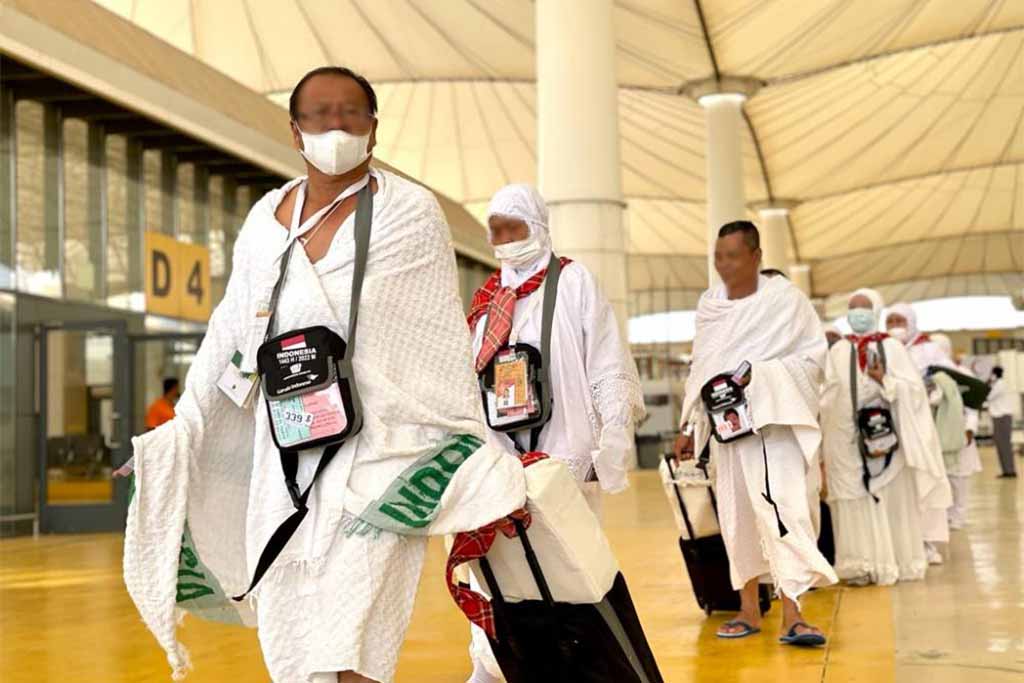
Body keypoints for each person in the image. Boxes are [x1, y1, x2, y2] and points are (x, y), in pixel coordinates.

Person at [122, 66, 527, 683]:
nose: (335, 126)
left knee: (355, 633)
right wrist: (181, 430)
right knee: (295, 637)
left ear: (374, 129)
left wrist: (462, 437)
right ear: (295, 130)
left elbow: (433, 339)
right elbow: (231, 331)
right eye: (319, 114)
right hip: (286, 454)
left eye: (351, 113)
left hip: (381, 453)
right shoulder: (265, 220)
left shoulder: (408, 212)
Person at [464, 184, 645, 683]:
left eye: (514, 228)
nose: (505, 239)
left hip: (564, 450)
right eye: (497, 230)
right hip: (503, 454)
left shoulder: (573, 281)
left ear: (538, 226)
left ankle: (573, 668)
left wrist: (612, 434)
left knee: (569, 570)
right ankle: (493, 668)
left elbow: (605, 361)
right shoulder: (488, 299)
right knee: (501, 572)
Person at [674, 220, 836, 646]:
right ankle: (749, 609)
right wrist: (688, 425)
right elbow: (701, 367)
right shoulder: (711, 305)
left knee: (785, 511)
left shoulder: (786, 301)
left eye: (732, 256)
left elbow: (813, 361)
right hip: (728, 430)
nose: (723, 265)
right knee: (737, 517)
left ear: (756, 256)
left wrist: (759, 376)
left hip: (774, 425)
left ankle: (794, 615)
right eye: (718, 257)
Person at [820, 290, 950, 586]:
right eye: (853, 308)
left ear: (875, 311)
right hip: (846, 442)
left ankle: (895, 561)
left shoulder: (892, 347)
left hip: (887, 442)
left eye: (864, 308)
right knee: (853, 501)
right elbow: (827, 395)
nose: (858, 313)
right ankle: (859, 564)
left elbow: (915, 393)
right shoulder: (838, 350)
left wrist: (885, 381)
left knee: (889, 500)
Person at [885, 303, 952, 564]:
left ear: (911, 322)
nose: (895, 326)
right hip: (892, 426)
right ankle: (904, 543)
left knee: (925, 477)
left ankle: (928, 542)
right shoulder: (881, 347)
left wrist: (933, 389)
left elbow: (950, 380)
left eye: (899, 321)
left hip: (922, 424)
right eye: (890, 321)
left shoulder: (929, 349)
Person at [931, 334, 983, 528]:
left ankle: (959, 516)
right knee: (940, 478)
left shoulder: (962, 373)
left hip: (959, 431)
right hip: (936, 432)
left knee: (959, 478)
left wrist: (970, 429)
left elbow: (972, 406)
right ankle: (944, 516)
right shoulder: (929, 375)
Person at [987, 366, 1017, 478]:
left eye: (992, 374)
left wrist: (987, 383)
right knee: (1000, 445)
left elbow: (988, 397)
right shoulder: (997, 384)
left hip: (1002, 417)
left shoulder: (1000, 384)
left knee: (1005, 445)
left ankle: (1010, 471)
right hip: (999, 417)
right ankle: (1006, 470)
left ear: (994, 374)